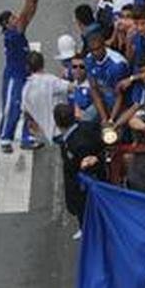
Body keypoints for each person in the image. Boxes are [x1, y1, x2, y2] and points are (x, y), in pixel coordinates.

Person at [53, 103, 105, 239]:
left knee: (83, 207)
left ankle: (88, 229)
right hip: (88, 178)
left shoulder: (76, 144)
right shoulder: (88, 126)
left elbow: (85, 165)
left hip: (82, 183)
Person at [0, 0, 39, 153]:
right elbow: (23, 18)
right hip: (14, 76)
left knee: (28, 106)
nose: (16, 18)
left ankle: (26, 137)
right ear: (6, 24)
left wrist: (33, 3)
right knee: (12, 106)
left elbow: (28, 17)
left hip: (25, 74)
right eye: (12, 18)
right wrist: (27, 2)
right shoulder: (11, 36)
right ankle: (5, 138)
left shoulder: (18, 31)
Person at [21, 51, 72, 143]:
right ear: (43, 63)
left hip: (50, 135)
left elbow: (27, 113)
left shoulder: (26, 89)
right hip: (64, 129)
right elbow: (72, 88)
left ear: (28, 67)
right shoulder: (51, 80)